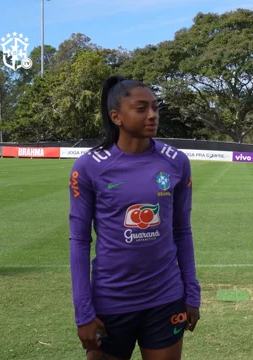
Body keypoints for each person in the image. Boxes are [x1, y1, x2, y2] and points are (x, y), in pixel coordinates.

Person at [68, 74, 201, 360]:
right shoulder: (89, 167)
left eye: (155, 107)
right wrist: (83, 313)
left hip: (166, 298)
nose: (152, 115)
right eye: (141, 108)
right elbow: (79, 240)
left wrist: (191, 293)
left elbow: (182, 231)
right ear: (116, 116)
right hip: (112, 301)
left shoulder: (175, 161)